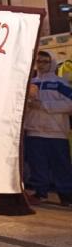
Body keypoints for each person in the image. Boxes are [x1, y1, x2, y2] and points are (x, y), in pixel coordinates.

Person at [24, 50, 72, 207]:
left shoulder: (61, 83)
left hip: (56, 133)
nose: (41, 64)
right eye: (38, 61)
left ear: (51, 62)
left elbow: (69, 104)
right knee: (37, 165)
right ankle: (40, 192)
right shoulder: (30, 83)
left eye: (45, 61)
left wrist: (43, 105)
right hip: (34, 131)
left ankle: (65, 195)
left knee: (61, 165)